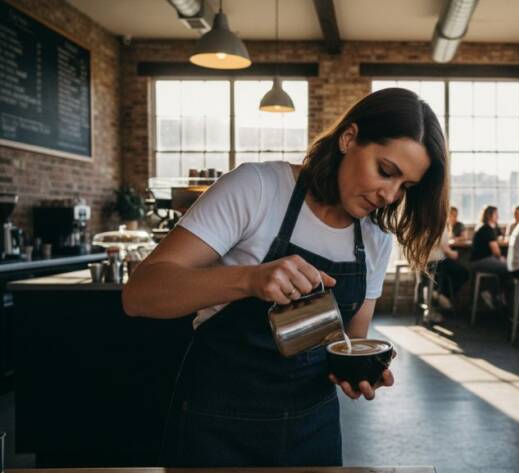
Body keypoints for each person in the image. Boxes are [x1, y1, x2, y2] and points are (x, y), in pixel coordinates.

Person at [123, 88, 448, 467]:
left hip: (312, 430)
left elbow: (350, 339)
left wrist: (357, 372)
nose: (390, 195)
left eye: (405, 187)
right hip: (217, 423)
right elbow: (140, 293)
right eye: (386, 171)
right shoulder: (258, 189)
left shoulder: (375, 239)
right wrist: (250, 280)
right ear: (348, 138)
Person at [470, 205, 509, 309]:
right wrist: (501, 258)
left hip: (479, 260)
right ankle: (499, 296)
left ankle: (496, 294)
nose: (498, 216)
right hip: (480, 261)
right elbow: (496, 251)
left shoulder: (490, 227)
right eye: (496, 214)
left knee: (504, 267)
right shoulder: (487, 228)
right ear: (489, 215)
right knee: (508, 268)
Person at [427, 224, 469, 319]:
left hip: (426, 263)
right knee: (464, 273)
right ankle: (442, 295)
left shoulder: (425, 224)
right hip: (438, 262)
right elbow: (447, 252)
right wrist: (457, 254)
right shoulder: (441, 227)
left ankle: (437, 294)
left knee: (446, 273)